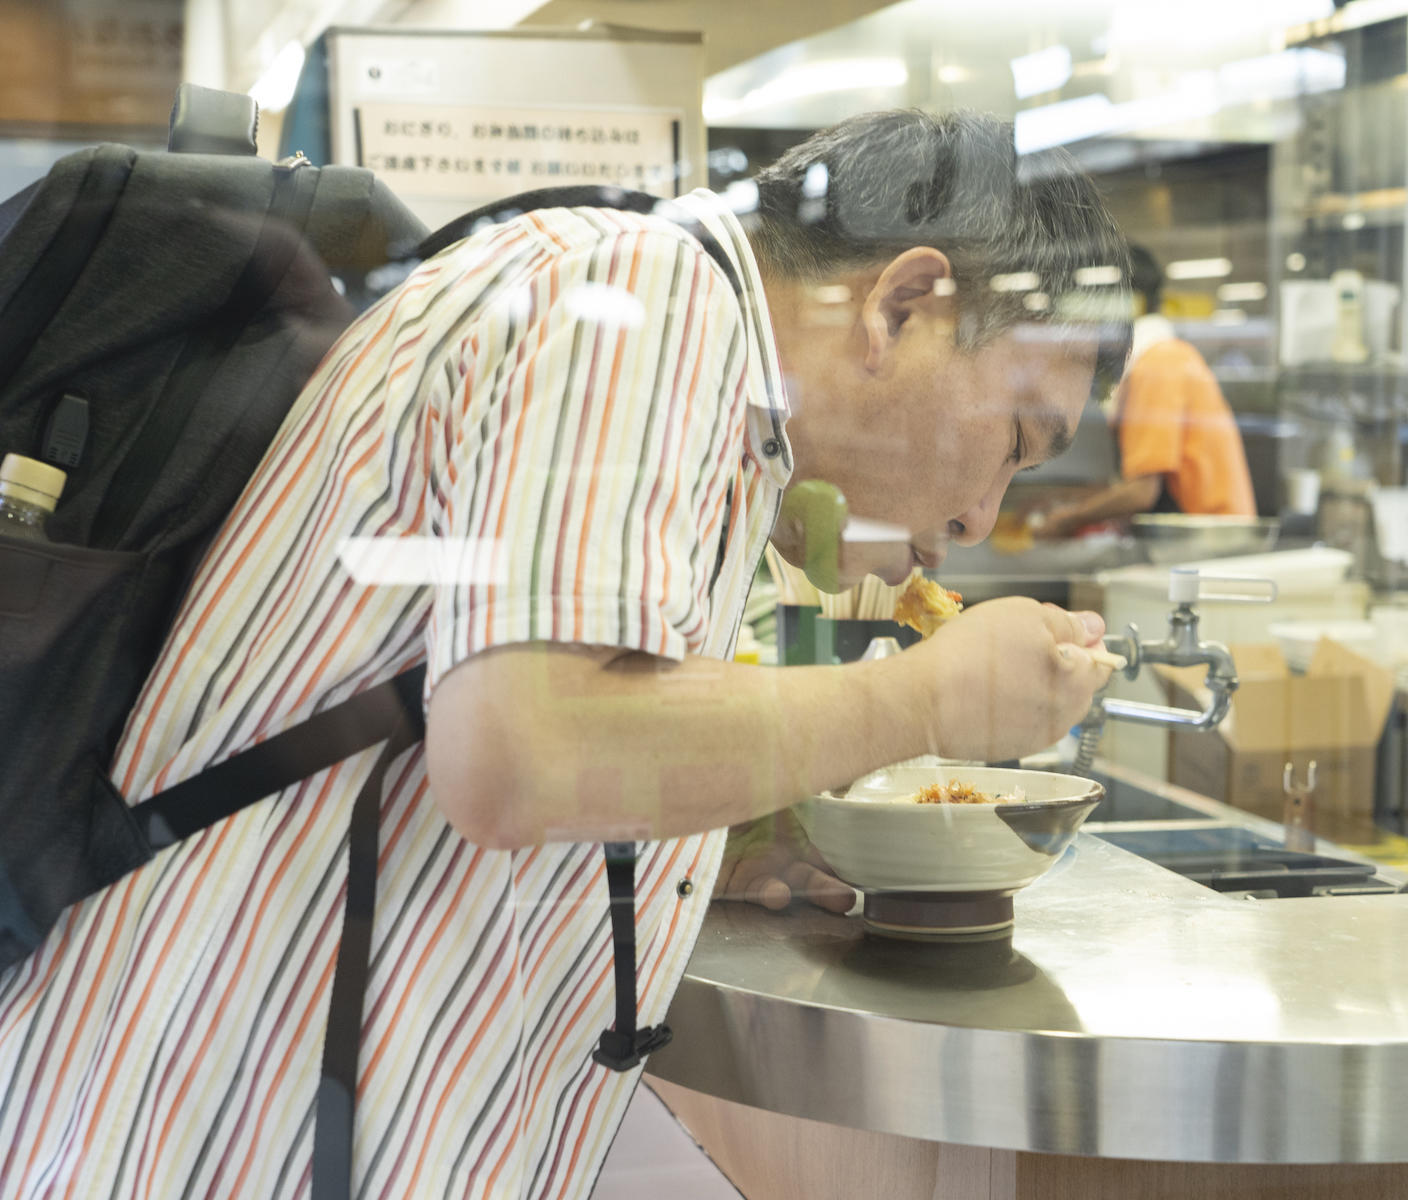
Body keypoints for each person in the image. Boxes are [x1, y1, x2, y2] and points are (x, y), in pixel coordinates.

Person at [0, 110, 1130, 1194]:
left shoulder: (673, 353)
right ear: (905, 303)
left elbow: (485, 730)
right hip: (232, 1142)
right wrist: (930, 698)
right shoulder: (645, 296)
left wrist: (709, 844)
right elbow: (529, 754)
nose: (982, 516)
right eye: (1015, 441)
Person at [1032, 241, 1255, 538]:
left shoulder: (1157, 366)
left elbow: (1142, 492)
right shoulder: (1165, 357)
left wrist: (1068, 519)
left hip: (1211, 542)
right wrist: (1070, 500)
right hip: (1203, 539)